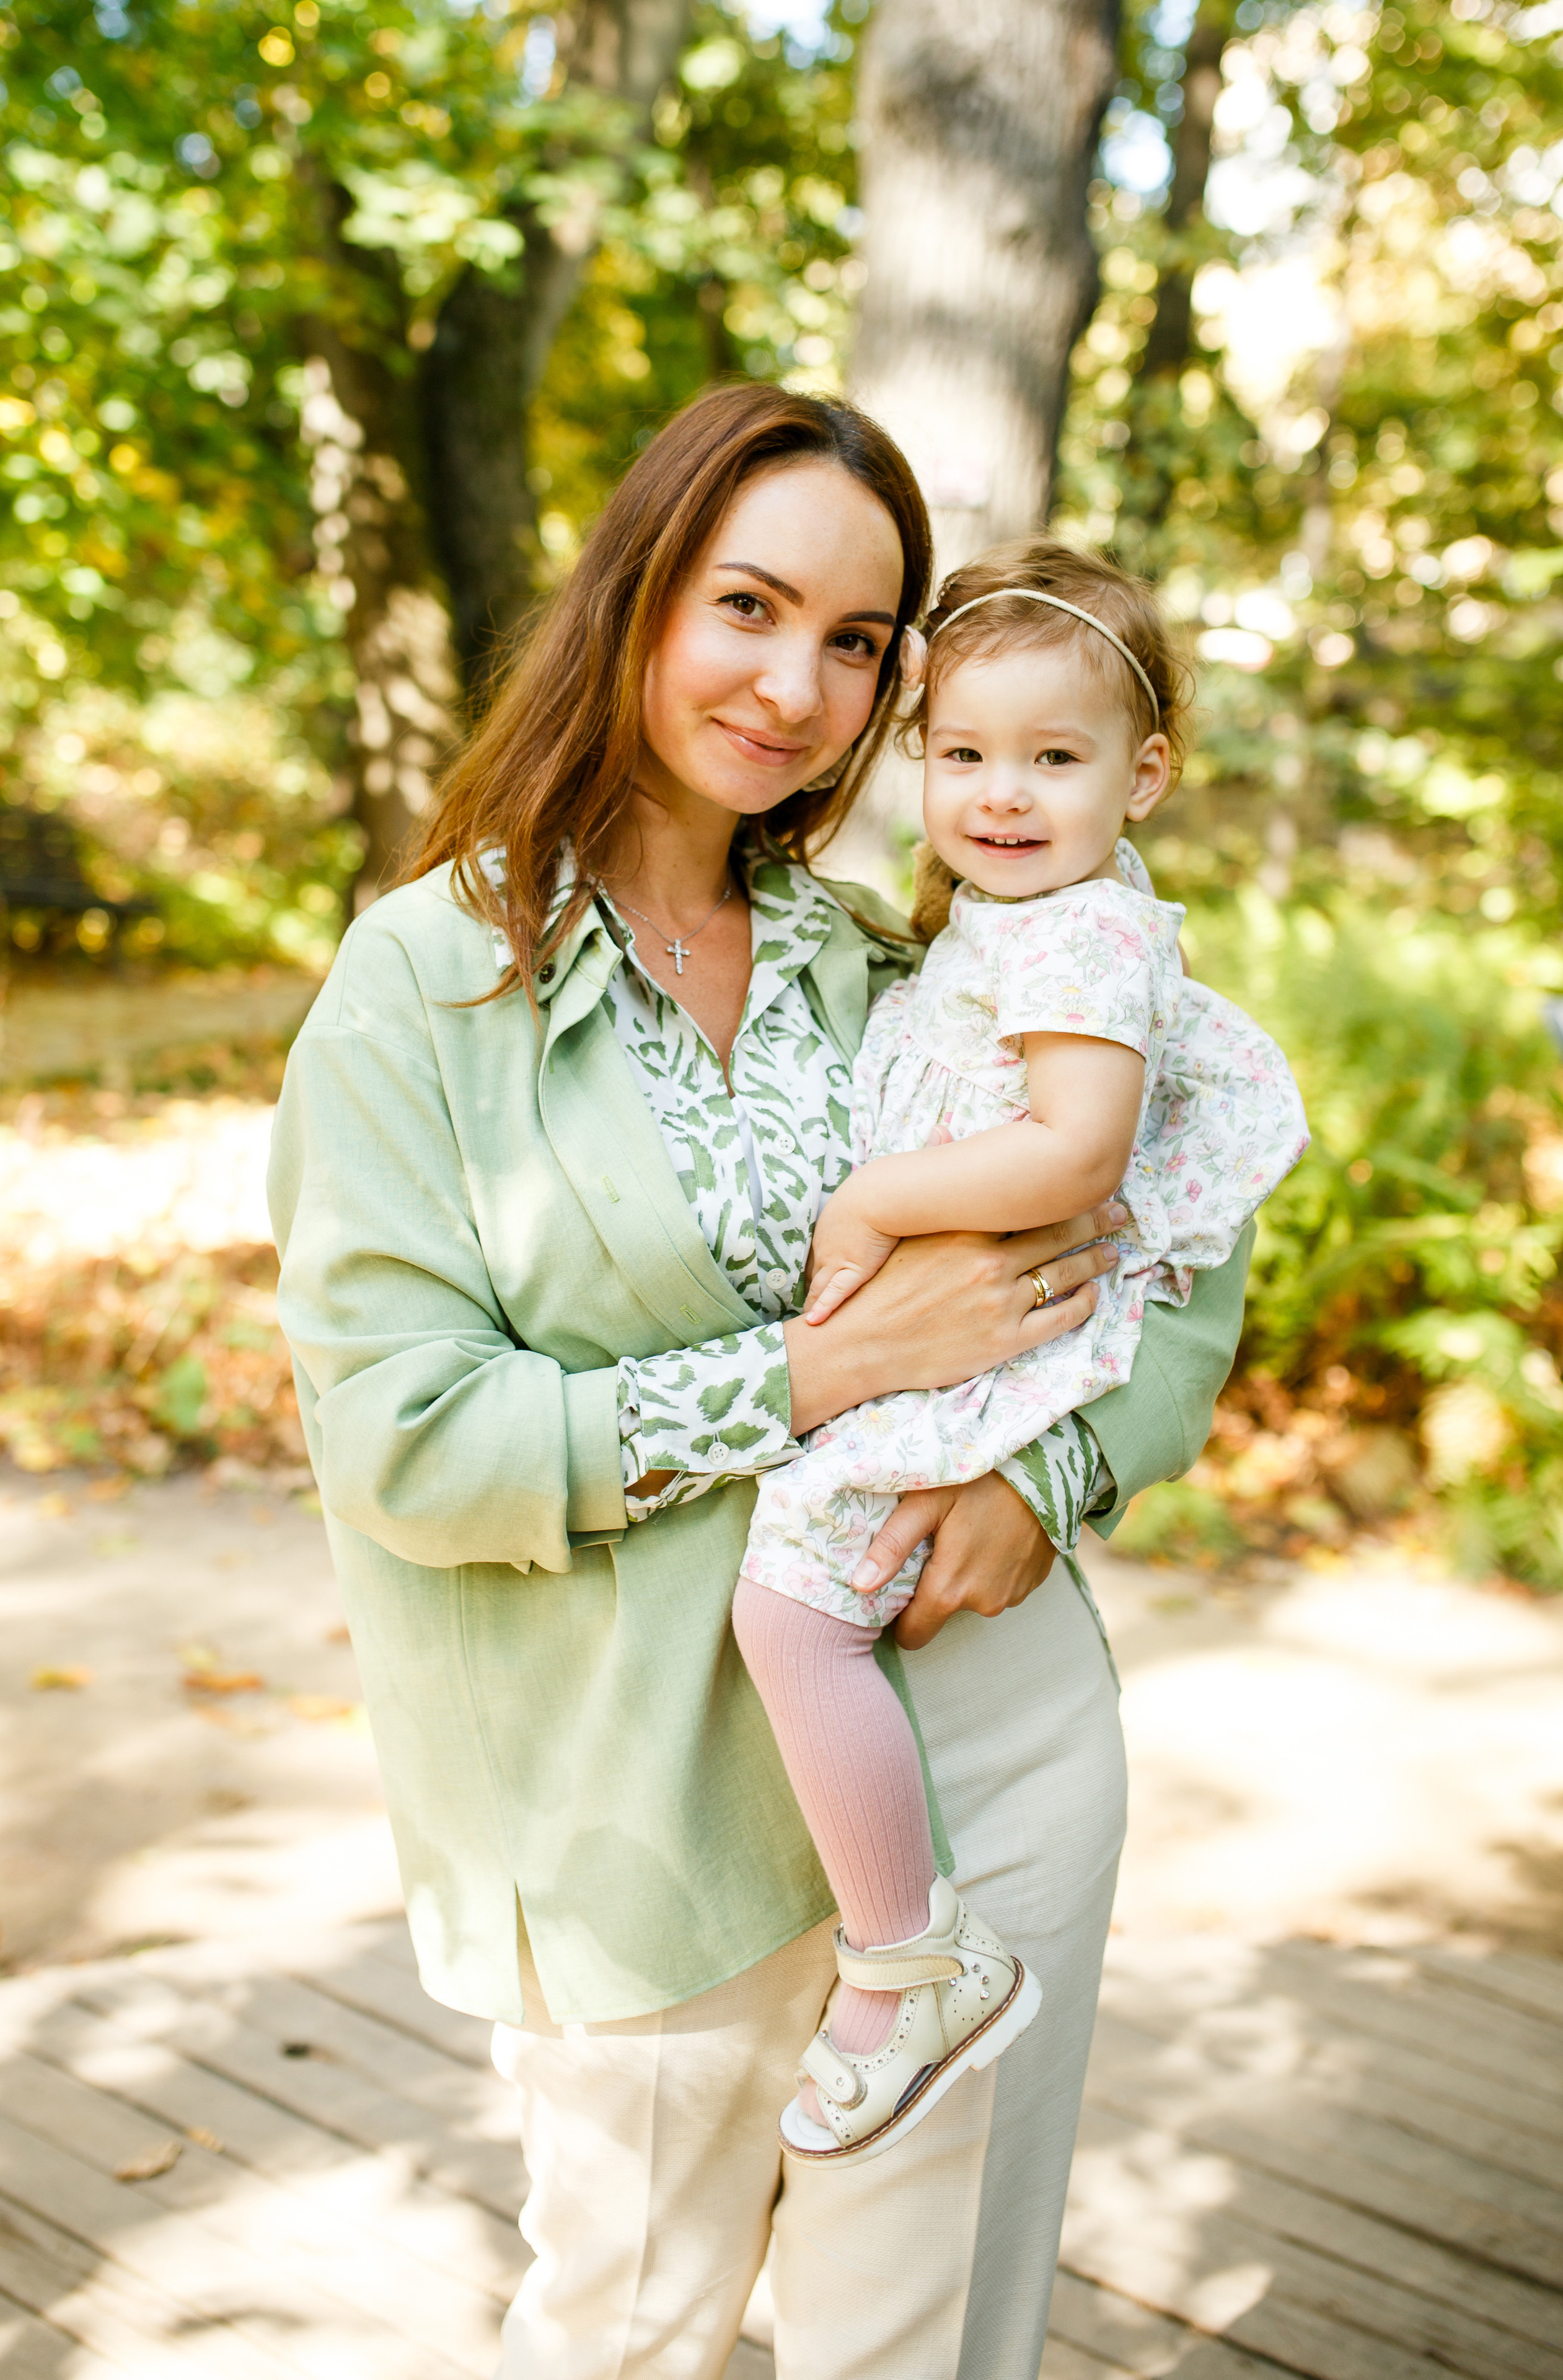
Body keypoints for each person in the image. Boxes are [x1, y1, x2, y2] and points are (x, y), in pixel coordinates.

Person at [267, 382, 1256, 2380]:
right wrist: (806, 1379)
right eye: (748, 604)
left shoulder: (902, 949)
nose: (797, 682)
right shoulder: (428, 983)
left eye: (860, 640)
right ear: (636, 599)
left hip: (981, 1756)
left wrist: (1050, 1488)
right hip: (640, 1823)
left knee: (934, 2348)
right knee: (631, 2337)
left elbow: (1181, 1238)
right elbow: (404, 1439)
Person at [733, 541, 1308, 2166]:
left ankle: (908, 1955)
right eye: (965, 752)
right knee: (804, 1609)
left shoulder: (1077, 943)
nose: (1001, 792)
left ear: (1145, 776)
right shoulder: (998, 929)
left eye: (1053, 759)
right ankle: (901, 1934)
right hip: (960, 1348)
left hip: (997, 1363)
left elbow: (1070, 1159)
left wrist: (873, 1199)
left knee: (791, 1611)